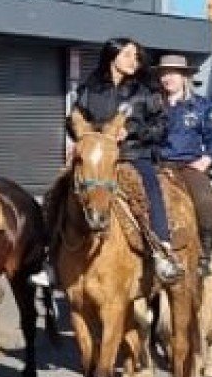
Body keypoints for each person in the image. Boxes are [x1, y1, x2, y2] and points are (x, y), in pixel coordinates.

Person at [69, 36, 180, 284]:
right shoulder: (90, 89)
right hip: (97, 157)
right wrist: (92, 135)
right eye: (128, 55)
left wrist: (133, 131)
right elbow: (74, 120)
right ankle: (51, 256)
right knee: (61, 187)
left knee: (149, 184)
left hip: (133, 154)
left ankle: (162, 248)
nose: (135, 60)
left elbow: (161, 127)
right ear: (113, 57)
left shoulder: (145, 91)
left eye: (137, 56)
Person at [152, 52, 212, 276]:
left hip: (188, 166)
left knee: (205, 202)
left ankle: (204, 254)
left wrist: (207, 159)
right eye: (164, 73)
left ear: (184, 76)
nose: (167, 78)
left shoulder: (202, 106)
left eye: (172, 73)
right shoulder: (152, 104)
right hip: (156, 164)